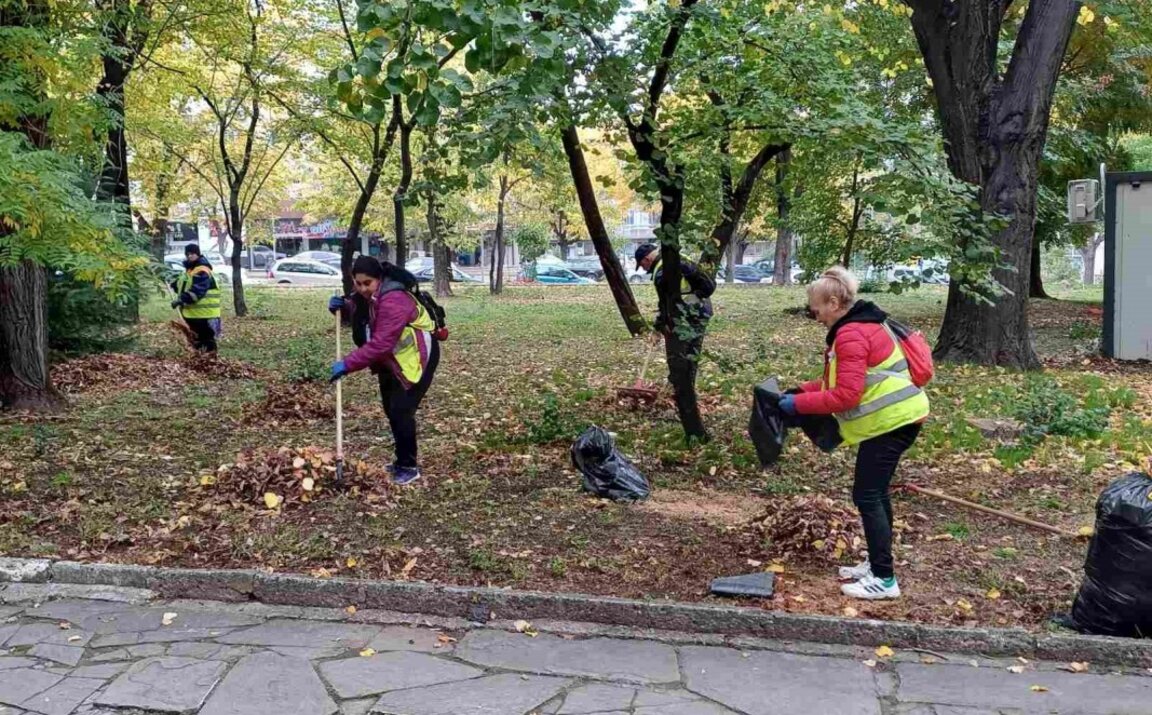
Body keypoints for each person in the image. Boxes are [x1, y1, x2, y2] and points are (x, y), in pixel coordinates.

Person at [778, 266, 929, 600]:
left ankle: (884, 580)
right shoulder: (863, 325)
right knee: (876, 492)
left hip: (893, 422)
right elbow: (844, 382)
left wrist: (798, 407)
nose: (813, 314)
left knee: (867, 494)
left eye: (815, 307)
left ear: (833, 303)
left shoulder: (851, 334)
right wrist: (801, 390)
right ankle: (877, 564)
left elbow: (847, 396)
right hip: (897, 420)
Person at [329, 256, 440, 486]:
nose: (362, 289)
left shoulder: (395, 300)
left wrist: (348, 364)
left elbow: (380, 343)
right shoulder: (371, 296)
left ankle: (409, 467)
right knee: (390, 407)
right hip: (392, 359)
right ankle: (400, 460)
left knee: (401, 410)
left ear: (379, 279)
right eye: (357, 283)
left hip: (417, 357)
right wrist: (346, 308)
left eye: (367, 283)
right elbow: (369, 314)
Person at [634, 243, 716, 437]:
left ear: (646, 259)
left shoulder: (662, 271)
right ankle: (686, 401)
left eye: (642, 266)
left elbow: (667, 304)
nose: (644, 270)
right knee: (690, 359)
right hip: (699, 314)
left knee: (680, 362)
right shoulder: (679, 258)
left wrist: (659, 327)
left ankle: (681, 406)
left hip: (686, 319)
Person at [170, 244, 221, 354]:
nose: (189, 256)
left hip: (204, 314)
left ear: (197, 254)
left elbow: (197, 291)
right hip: (194, 314)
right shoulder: (190, 271)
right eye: (187, 254)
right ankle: (199, 362)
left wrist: (181, 299)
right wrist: (172, 283)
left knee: (205, 340)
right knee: (196, 340)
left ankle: (210, 362)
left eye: (192, 254)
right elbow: (181, 285)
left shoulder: (202, 271)